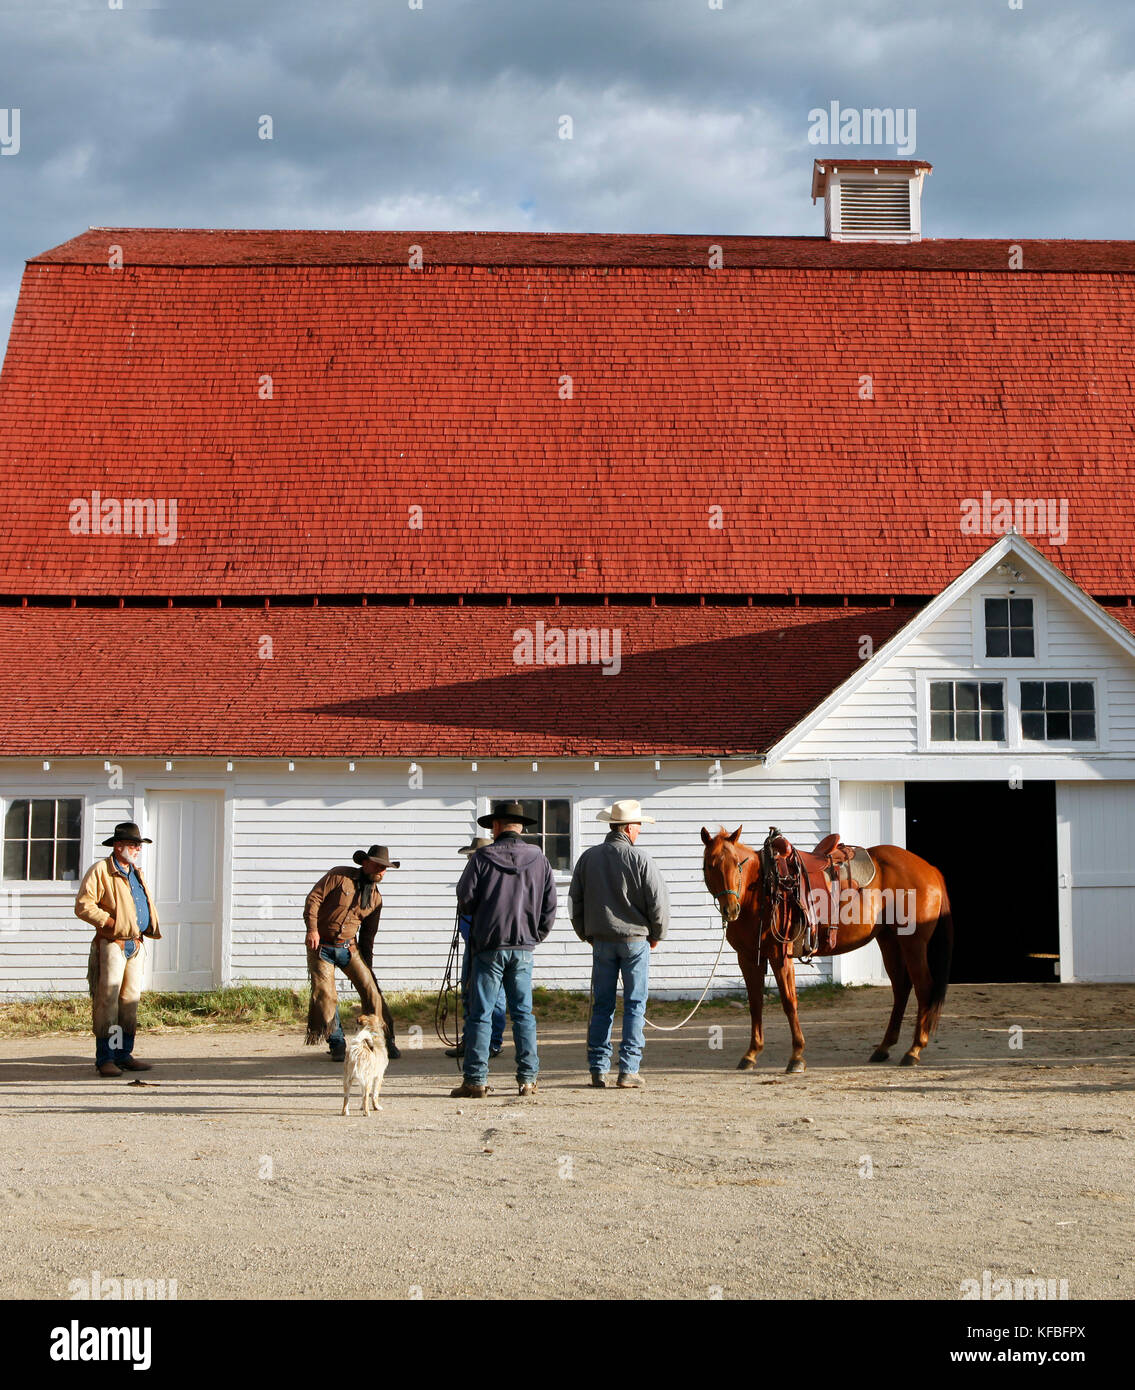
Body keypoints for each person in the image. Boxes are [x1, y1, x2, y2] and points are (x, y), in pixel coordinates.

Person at [452, 801, 556, 1098]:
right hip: (523, 945)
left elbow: (465, 898)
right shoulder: (539, 858)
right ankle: (528, 1079)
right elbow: (550, 905)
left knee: (481, 1013)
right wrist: (536, 934)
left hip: (489, 944)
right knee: (523, 1013)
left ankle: (475, 1079)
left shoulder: (483, 857)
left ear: (496, 827)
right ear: (520, 827)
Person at [569, 799, 669, 1089]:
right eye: (638, 825)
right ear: (627, 828)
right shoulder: (641, 860)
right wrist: (657, 935)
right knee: (635, 1004)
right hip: (635, 939)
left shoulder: (588, 858)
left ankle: (598, 1068)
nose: (639, 830)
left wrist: (585, 933)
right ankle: (629, 1068)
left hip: (601, 940)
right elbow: (658, 903)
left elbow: (575, 900)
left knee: (602, 1004)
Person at [75, 821, 161, 1077]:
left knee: (129, 1001)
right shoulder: (101, 871)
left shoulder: (135, 872)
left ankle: (124, 1055)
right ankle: (106, 1058)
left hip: (136, 943)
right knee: (108, 1001)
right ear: (119, 845)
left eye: (138, 845)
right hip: (113, 943)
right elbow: (84, 906)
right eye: (133, 845)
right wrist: (110, 923)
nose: (137, 849)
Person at [304, 844, 401, 1062]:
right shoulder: (339, 875)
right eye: (378, 865)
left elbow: (368, 936)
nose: (381, 871)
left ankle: (382, 1039)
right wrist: (312, 929)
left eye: (385, 868)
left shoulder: (376, 899)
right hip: (321, 946)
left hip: (349, 948)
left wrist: (368, 965)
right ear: (365, 863)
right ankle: (336, 1042)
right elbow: (314, 899)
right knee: (326, 995)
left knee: (372, 991)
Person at [445, 837, 507, 1062]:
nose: (470, 860)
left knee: (493, 994)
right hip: (472, 941)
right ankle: (472, 1039)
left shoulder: (490, 880)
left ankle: (492, 1042)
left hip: (485, 943)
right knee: (469, 992)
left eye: (473, 856)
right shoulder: (476, 876)